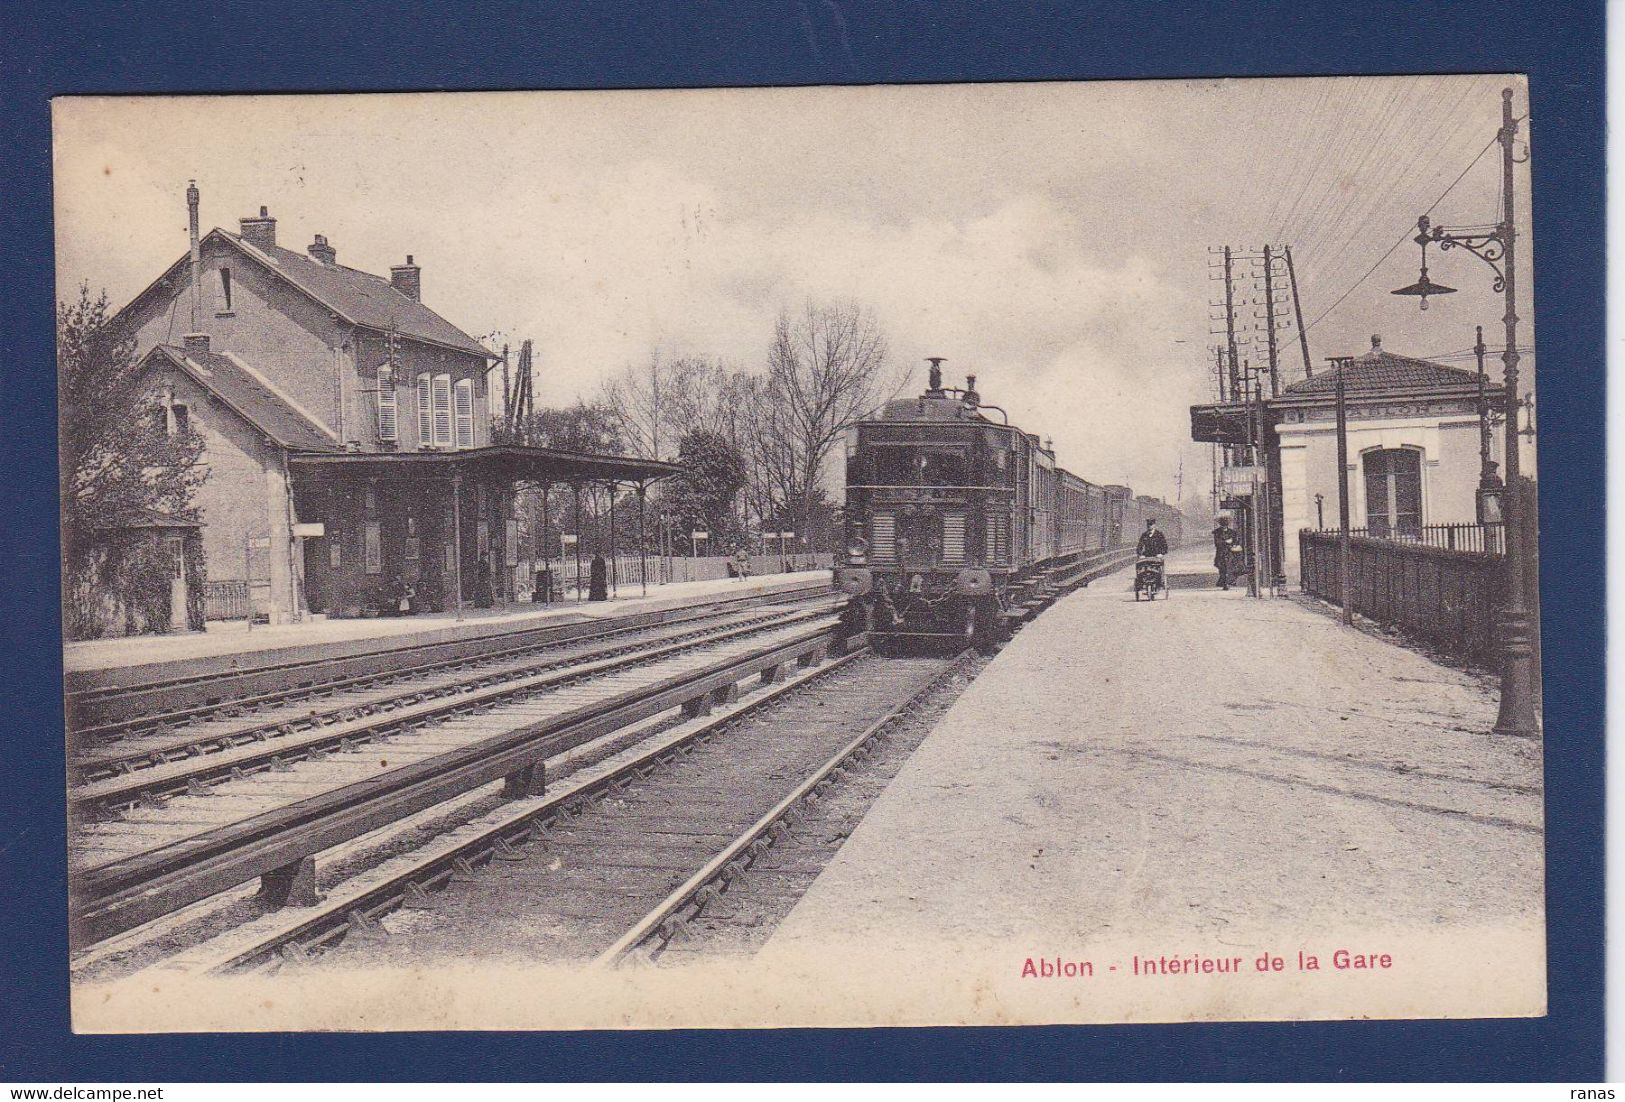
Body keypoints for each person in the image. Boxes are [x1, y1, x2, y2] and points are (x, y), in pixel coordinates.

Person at [1212, 516, 1238, 590]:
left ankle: (1228, 582)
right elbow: (1217, 543)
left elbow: (1235, 542)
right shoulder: (1217, 532)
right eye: (1222, 524)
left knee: (1229, 567)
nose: (1224, 526)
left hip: (1230, 552)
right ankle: (1224, 582)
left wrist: (1231, 544)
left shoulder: (1232, 532)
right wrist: (1226, 542)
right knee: (1222, 568)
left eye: (1225, 524)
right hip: (1221, 553)